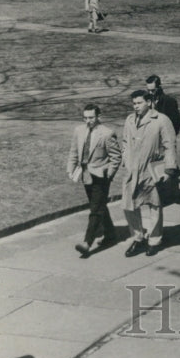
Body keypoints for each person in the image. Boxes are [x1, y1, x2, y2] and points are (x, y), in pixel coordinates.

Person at [120, 90, 178, 257]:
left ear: (149, 102)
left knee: (154, 205)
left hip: (150, 169)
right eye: (134, 103)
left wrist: (169, 169)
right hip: (132, 170)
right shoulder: (130, 120)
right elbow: (125, 142)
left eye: (139, 103)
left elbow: (170, 145)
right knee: (129, 205)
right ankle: (137, 237)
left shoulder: (161, 120)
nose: (135, 106)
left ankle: (154, 240)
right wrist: (126, 159)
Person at [66, 104, 122, 257]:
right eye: (85, 118)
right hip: (85, 175)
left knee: (95, 209)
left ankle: (87, 243)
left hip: (101, 177)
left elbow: (116, 157)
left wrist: (108, 175)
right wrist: (70, 168)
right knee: (98, 205)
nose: (88, 121)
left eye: (91, 117)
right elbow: (74, 151)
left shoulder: (107, 133)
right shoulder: (79, 130)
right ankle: (110, 234)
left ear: (98, 116)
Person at [145, 74, 180, 204]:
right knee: (155, 166)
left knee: (169, 163)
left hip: (165, 138)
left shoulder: (169, 101)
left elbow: (176, 121)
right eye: (148, 90)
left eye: (153, 90)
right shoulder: (147, 101)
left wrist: (170, 137)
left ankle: (174, 193)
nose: (150, 93)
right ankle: (161, 193)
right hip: (152, 139)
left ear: (159, 87)